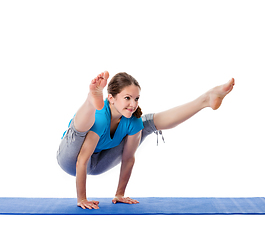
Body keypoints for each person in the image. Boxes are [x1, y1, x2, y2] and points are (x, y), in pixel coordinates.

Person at [56, 71, 235, 209]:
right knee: (80, 129)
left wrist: (119, 194)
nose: (133, 104)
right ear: (110, 98)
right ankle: (90, 99)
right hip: (71, 159)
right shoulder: (101, 117)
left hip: (94, 165)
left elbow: (128, 158)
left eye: (136, 98)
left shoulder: (132, 121)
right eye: (127, 98)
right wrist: (82, 198)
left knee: (144, 123)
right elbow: (81, 159)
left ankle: (205, 99)